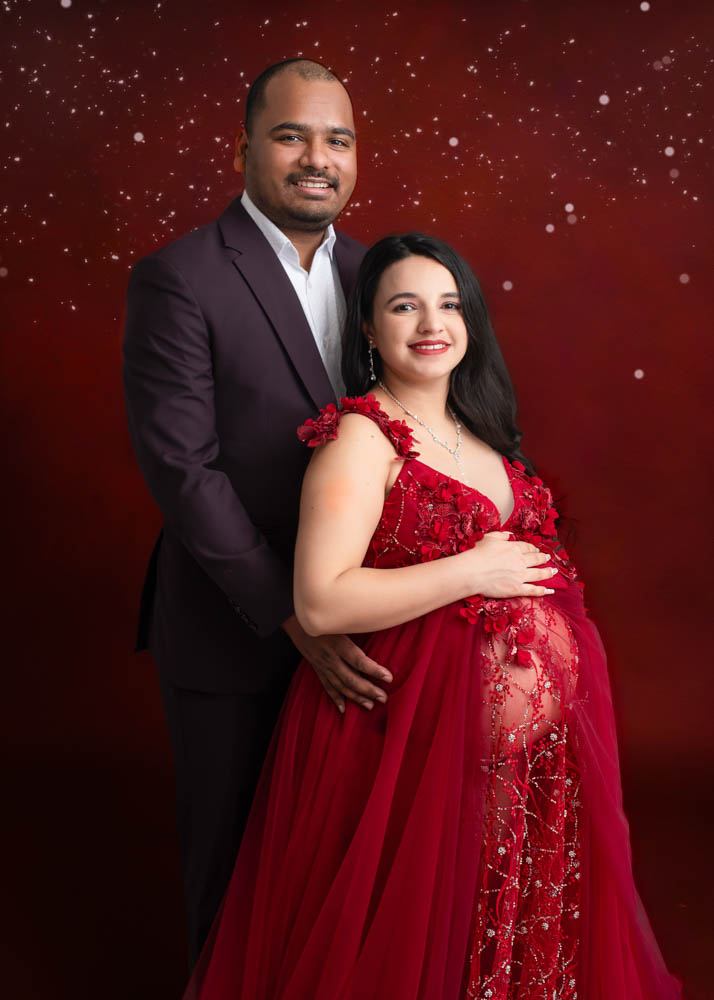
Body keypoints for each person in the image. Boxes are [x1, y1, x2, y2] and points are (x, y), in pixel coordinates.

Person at [183, 234, 682, 998]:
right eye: (404, 305)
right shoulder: (361, 437)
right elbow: (321, 598)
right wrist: (473, 568)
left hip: (519, 767)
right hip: (402, 754)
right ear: (368, 328)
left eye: (449, 304)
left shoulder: (483, 438)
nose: (431, 323)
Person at [122, 58, 390, 963]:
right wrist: (294, 615)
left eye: (338, 140)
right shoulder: (179, 277)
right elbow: (182, 469)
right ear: (243, 148)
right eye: (292, 135)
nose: (318, 157)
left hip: (362, 631)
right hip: (234, 630)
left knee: (334, 874)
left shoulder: (379, 273)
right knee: (231, 876)